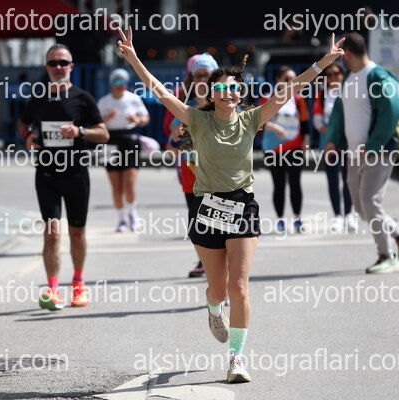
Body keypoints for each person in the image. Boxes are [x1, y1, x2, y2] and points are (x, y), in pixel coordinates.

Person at [117, 26, 345, 382]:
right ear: (212, 93)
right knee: (219, 289)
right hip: (206, 208)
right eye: (221, 88)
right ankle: (212, 308)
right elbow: (158, 91)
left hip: (242, 208)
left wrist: (324, 62)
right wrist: (133, 59)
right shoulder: (197, 119)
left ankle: (236, 359)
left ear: (240, 94)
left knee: (239, 287)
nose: (228, 93)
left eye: (234, 88)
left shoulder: (252, 118)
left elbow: (290, 90)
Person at [18, 44, 109, 310]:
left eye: (63, 63)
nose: (58, 67)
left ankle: (78, 284)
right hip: (46, 174)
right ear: (46, 67)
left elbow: (104, 134)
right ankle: (53, 290)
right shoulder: (38, 98)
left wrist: (80, 132)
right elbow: (23, 122)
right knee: (51, 233)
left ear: (71, 66)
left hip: (76, 174)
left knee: (77, 234)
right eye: (53, 63)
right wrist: (27, 136)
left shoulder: (83, 98)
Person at [325, 33, 399, 274]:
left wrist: (373, 146)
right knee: (363, 209)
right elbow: (339, 112)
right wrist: (332, 140)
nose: (338, 61)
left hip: (378, 152)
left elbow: (392, 110)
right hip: (355, 154)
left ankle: (387, 255)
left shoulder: (377, 76)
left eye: (340, 56)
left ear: (348, 54)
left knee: (370, 202)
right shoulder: (349, 79)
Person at [167, 53, 217, 278]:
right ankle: (204, 262)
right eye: (198, 76)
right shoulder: (183, 109)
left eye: (207, 75)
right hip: (192, 175)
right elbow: (172, 149)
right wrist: (175, 139)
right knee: (197, 223)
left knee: (219, 221)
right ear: (192, 79)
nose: (203, 80)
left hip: (220, 176)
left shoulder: (225, 106)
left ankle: (222, 264)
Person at [97, 68, 150, 232]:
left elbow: (145, 118)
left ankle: (133, 214)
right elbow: (96, 123)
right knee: (116, 186)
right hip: (110, 142)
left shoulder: (133, 99)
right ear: (111, 83)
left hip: (129, 140)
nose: (120, 84)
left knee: (129, 184)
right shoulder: (104, 102)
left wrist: (137, 119)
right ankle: (121, 219)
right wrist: (107, 118)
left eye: (123, 81)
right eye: (117, 81)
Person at [260, 65, 309, 233]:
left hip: (294, 147)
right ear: (278, 80)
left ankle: (297, 219)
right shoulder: (268, 98)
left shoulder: (298, 99)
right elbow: (260, 122)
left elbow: (304, 123)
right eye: (287, 79)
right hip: (273, 149)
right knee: (278, 185)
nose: (291, 82)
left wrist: (306, 140)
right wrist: (275, 128)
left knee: (295, 184)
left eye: (294, 79)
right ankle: (280, 220)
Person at [312, 62, 356, 233]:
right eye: (329, 75)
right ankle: (337, 215)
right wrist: (331, 132)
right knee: (332, 180)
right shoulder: (322, 95)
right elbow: (317, 120)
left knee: (348, 179)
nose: (333, 77)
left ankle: (349, 214)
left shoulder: (349, 93)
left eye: (336, 73)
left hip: (347, 143)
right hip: (329, 144)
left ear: (342, 74)